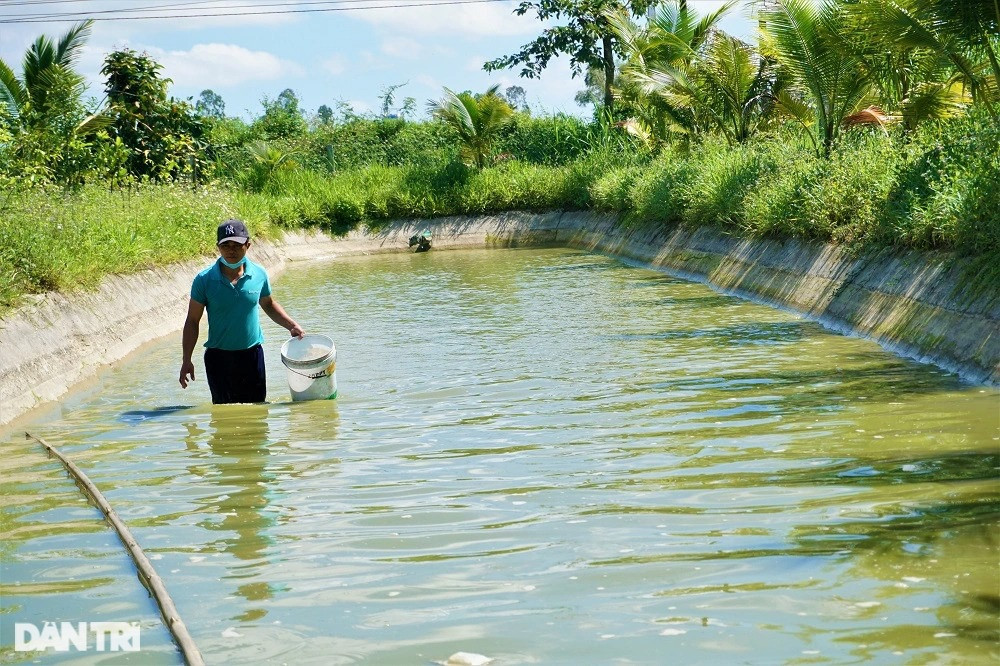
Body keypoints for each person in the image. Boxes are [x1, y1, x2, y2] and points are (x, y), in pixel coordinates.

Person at [179, 219, 304, 404]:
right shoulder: (204, 280)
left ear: (248, 245)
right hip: (218, 358)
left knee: (258, 411)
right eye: (225, 245)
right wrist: (186, 359)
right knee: (224, 415)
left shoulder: (259, 274)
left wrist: (291, 325)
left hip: (252, 356)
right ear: (218, 247)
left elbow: (268, 304)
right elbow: (192, 321)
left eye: (237, 244)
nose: (231, 250)